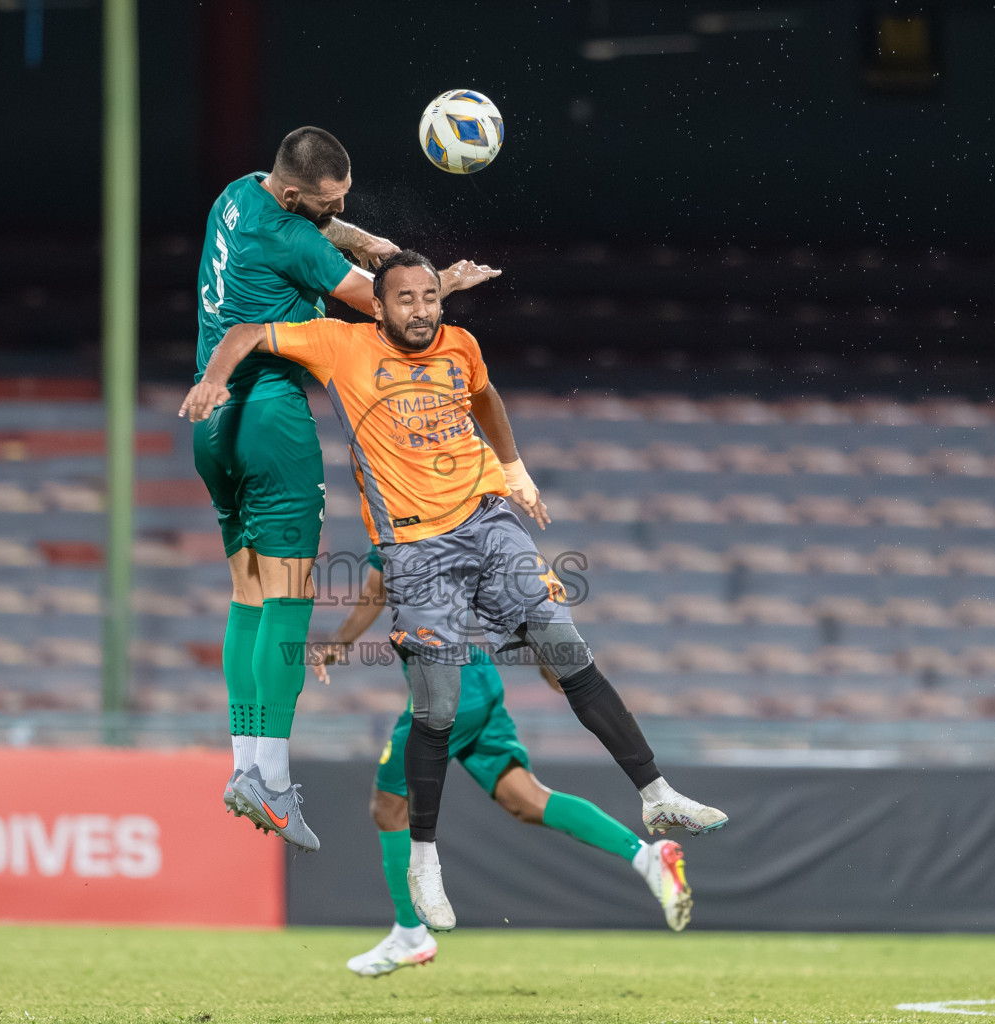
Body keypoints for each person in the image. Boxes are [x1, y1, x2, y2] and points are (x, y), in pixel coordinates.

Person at [181, 250, 727, 930]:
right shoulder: (338, 342)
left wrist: (515, 470)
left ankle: (654, 794)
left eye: (429, 298)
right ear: (374, 307)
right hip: (415, 547)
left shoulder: (460, 346)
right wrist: (213, 380)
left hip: (488, 518)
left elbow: (486, 398)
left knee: (561, 654)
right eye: (405, 300)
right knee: (510, 784)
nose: (420, 311)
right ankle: (430, 868)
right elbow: (247, 334)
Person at [194, 127, 499, 851]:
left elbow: (329, 233)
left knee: (248, 596)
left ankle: (244, 770)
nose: (338, 209)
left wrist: (360, 237)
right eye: (328, 202)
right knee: (292, 603)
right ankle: (269, 778)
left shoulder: (237, 194)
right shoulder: (297, 244)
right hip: (271, 420)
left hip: (213, 426)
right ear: (296, 195)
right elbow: (385, 308)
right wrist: (436, 286)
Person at [314, 545, 695, 976]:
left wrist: (337, 644)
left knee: (388, 806)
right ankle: (647, 858)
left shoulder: (405, 527)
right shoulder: (416, 523)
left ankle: (409, 934)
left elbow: (377, 595)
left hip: (449, 684)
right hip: (478, 678)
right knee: (525, 799)